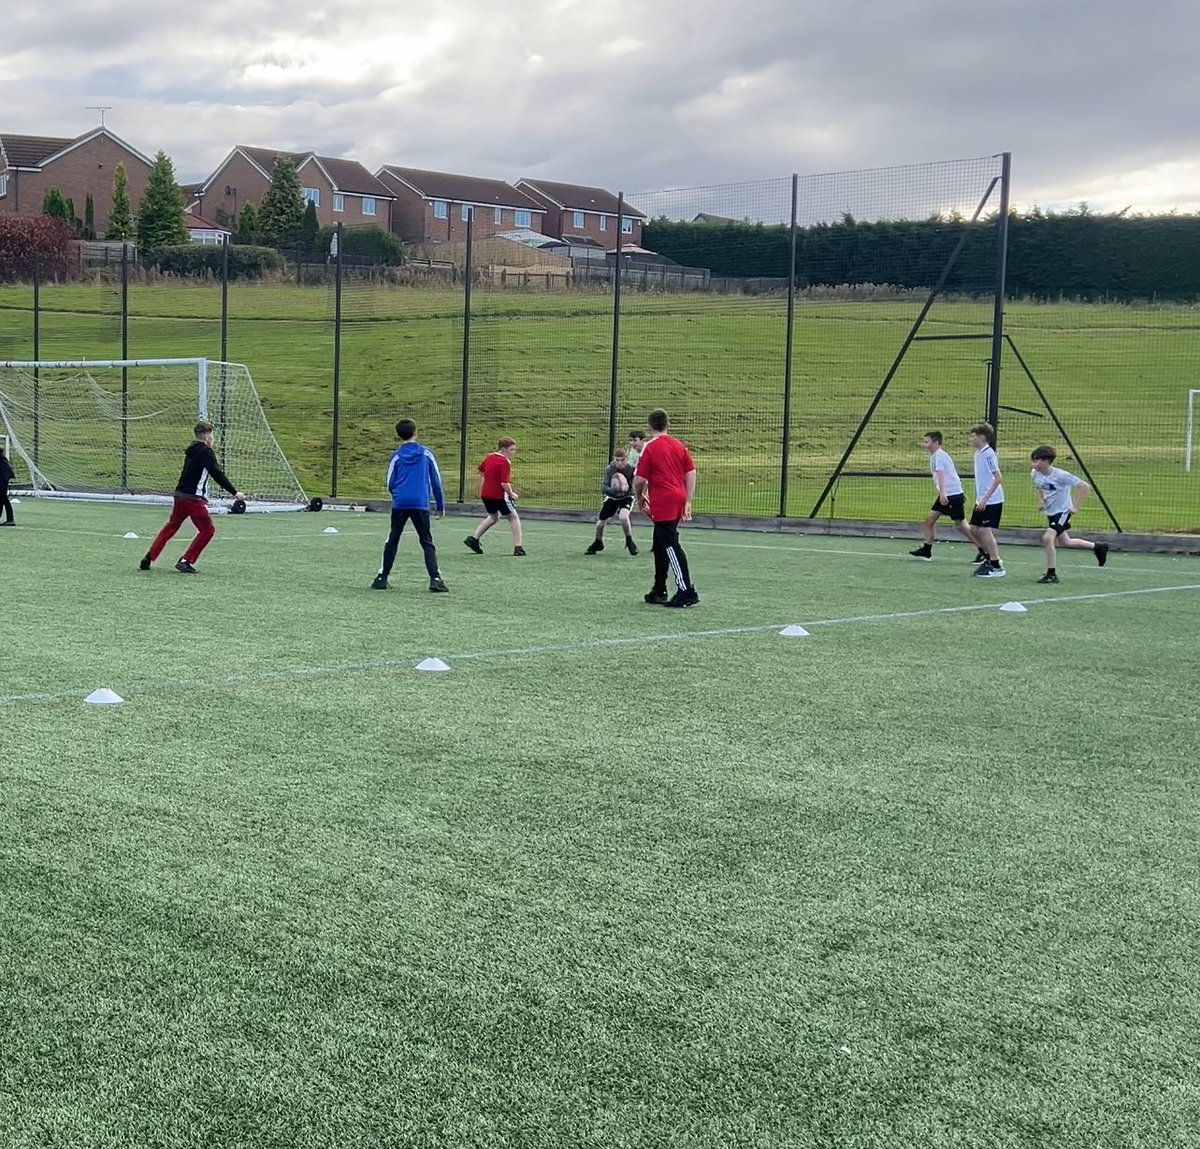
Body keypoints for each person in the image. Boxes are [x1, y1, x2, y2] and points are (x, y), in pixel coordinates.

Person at [140, 420, 245, 573]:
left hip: (180, 495)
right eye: (212, 435)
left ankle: (149, 557)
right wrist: (235, 492)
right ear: (207, 436)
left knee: (171, 526)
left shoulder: (192, 449)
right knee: (207, 530)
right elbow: (216, 473)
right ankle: (186, 560)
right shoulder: (206, 451)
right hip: (192, 499)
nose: (213, 439)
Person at [370, 419, 448, 593]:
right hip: (420, 502)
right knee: (426, 540)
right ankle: (435, 579)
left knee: (393, 538)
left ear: (399, 435)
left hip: (401, 502)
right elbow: (436, 480)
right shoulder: (426, 454)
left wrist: (397, 496)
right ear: (415, 432)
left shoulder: (396, 456)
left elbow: (390, 481)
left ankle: (382, 577)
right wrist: (440, 505)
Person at [633, 409, 698, 607]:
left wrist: (639, 498)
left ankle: (686, 590)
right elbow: (691, 472)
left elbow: (639, 480)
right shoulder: (678, 445)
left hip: (663, 500)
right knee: (660, 543)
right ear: (667, 425)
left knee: (670, 544)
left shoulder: (650, 447)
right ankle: (659, 589)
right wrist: (688, 500)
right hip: (678, 497)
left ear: (649, 426)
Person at [1029, 445, 1109, 584]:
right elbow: (1039, 488)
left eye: (1036, 461)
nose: (1033, 464)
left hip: (1063, 512)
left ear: (1046, 461)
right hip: (1051, 512)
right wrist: (1041, 501)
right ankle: (1098, 547)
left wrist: (1075, 506)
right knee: (1065, 542)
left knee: (1047, 538)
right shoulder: (1035, 474)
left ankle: (1051, 574)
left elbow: (1084, 486)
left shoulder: (1061, 475)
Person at [908, 431, 975, 560]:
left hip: (950, 495)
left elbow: (941, 474)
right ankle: (926, 550)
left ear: (936, 442)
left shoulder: (939, 456)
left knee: (961, 524)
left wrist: (943, 494)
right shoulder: (937, 456)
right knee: (930, 520)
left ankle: (983, 550)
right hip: (950, 494)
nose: (924, 444)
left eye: (927, 442)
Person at [464, 437, 525, 556]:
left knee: (494, 517)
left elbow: (481, 470)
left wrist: (490, 480)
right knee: (513, 518)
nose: (513, 453)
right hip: (499, 496)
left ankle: (474, 539)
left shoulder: (489, 457)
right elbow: (504, 483)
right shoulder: (505, 462)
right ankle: (518, 547)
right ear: (503, 449)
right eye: (511, 450)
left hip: (486, 495)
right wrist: (512, 494)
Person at [968, 422, 1006, 578]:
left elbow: (998, 478)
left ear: (982, 437)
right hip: (982, 500)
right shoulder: (978, 453)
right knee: (974, 529)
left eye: (973, 436)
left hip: (992, 500)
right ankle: (988, 557)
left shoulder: (989, 454)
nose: (971, 439)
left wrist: (985, 499)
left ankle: (996, 566)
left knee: (984, 530)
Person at [586, 446, 638, 555]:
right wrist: (614, 490)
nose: (619, 463)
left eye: (622, 460)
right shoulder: (610, 469)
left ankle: (629, 541)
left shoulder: (631, 470)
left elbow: (634, 486)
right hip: (612, 497)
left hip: (626, 497)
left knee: (623, 517)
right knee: (600, 524)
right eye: (617, 460)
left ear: (627, 459)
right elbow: (604, 487)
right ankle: (598, 542)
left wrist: (626, 490)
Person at [0, 443, 14, 526]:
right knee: (3, 497)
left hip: (3, 476)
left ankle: (10, 519)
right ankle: (10, 519)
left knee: (1, 497)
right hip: (3, 475)